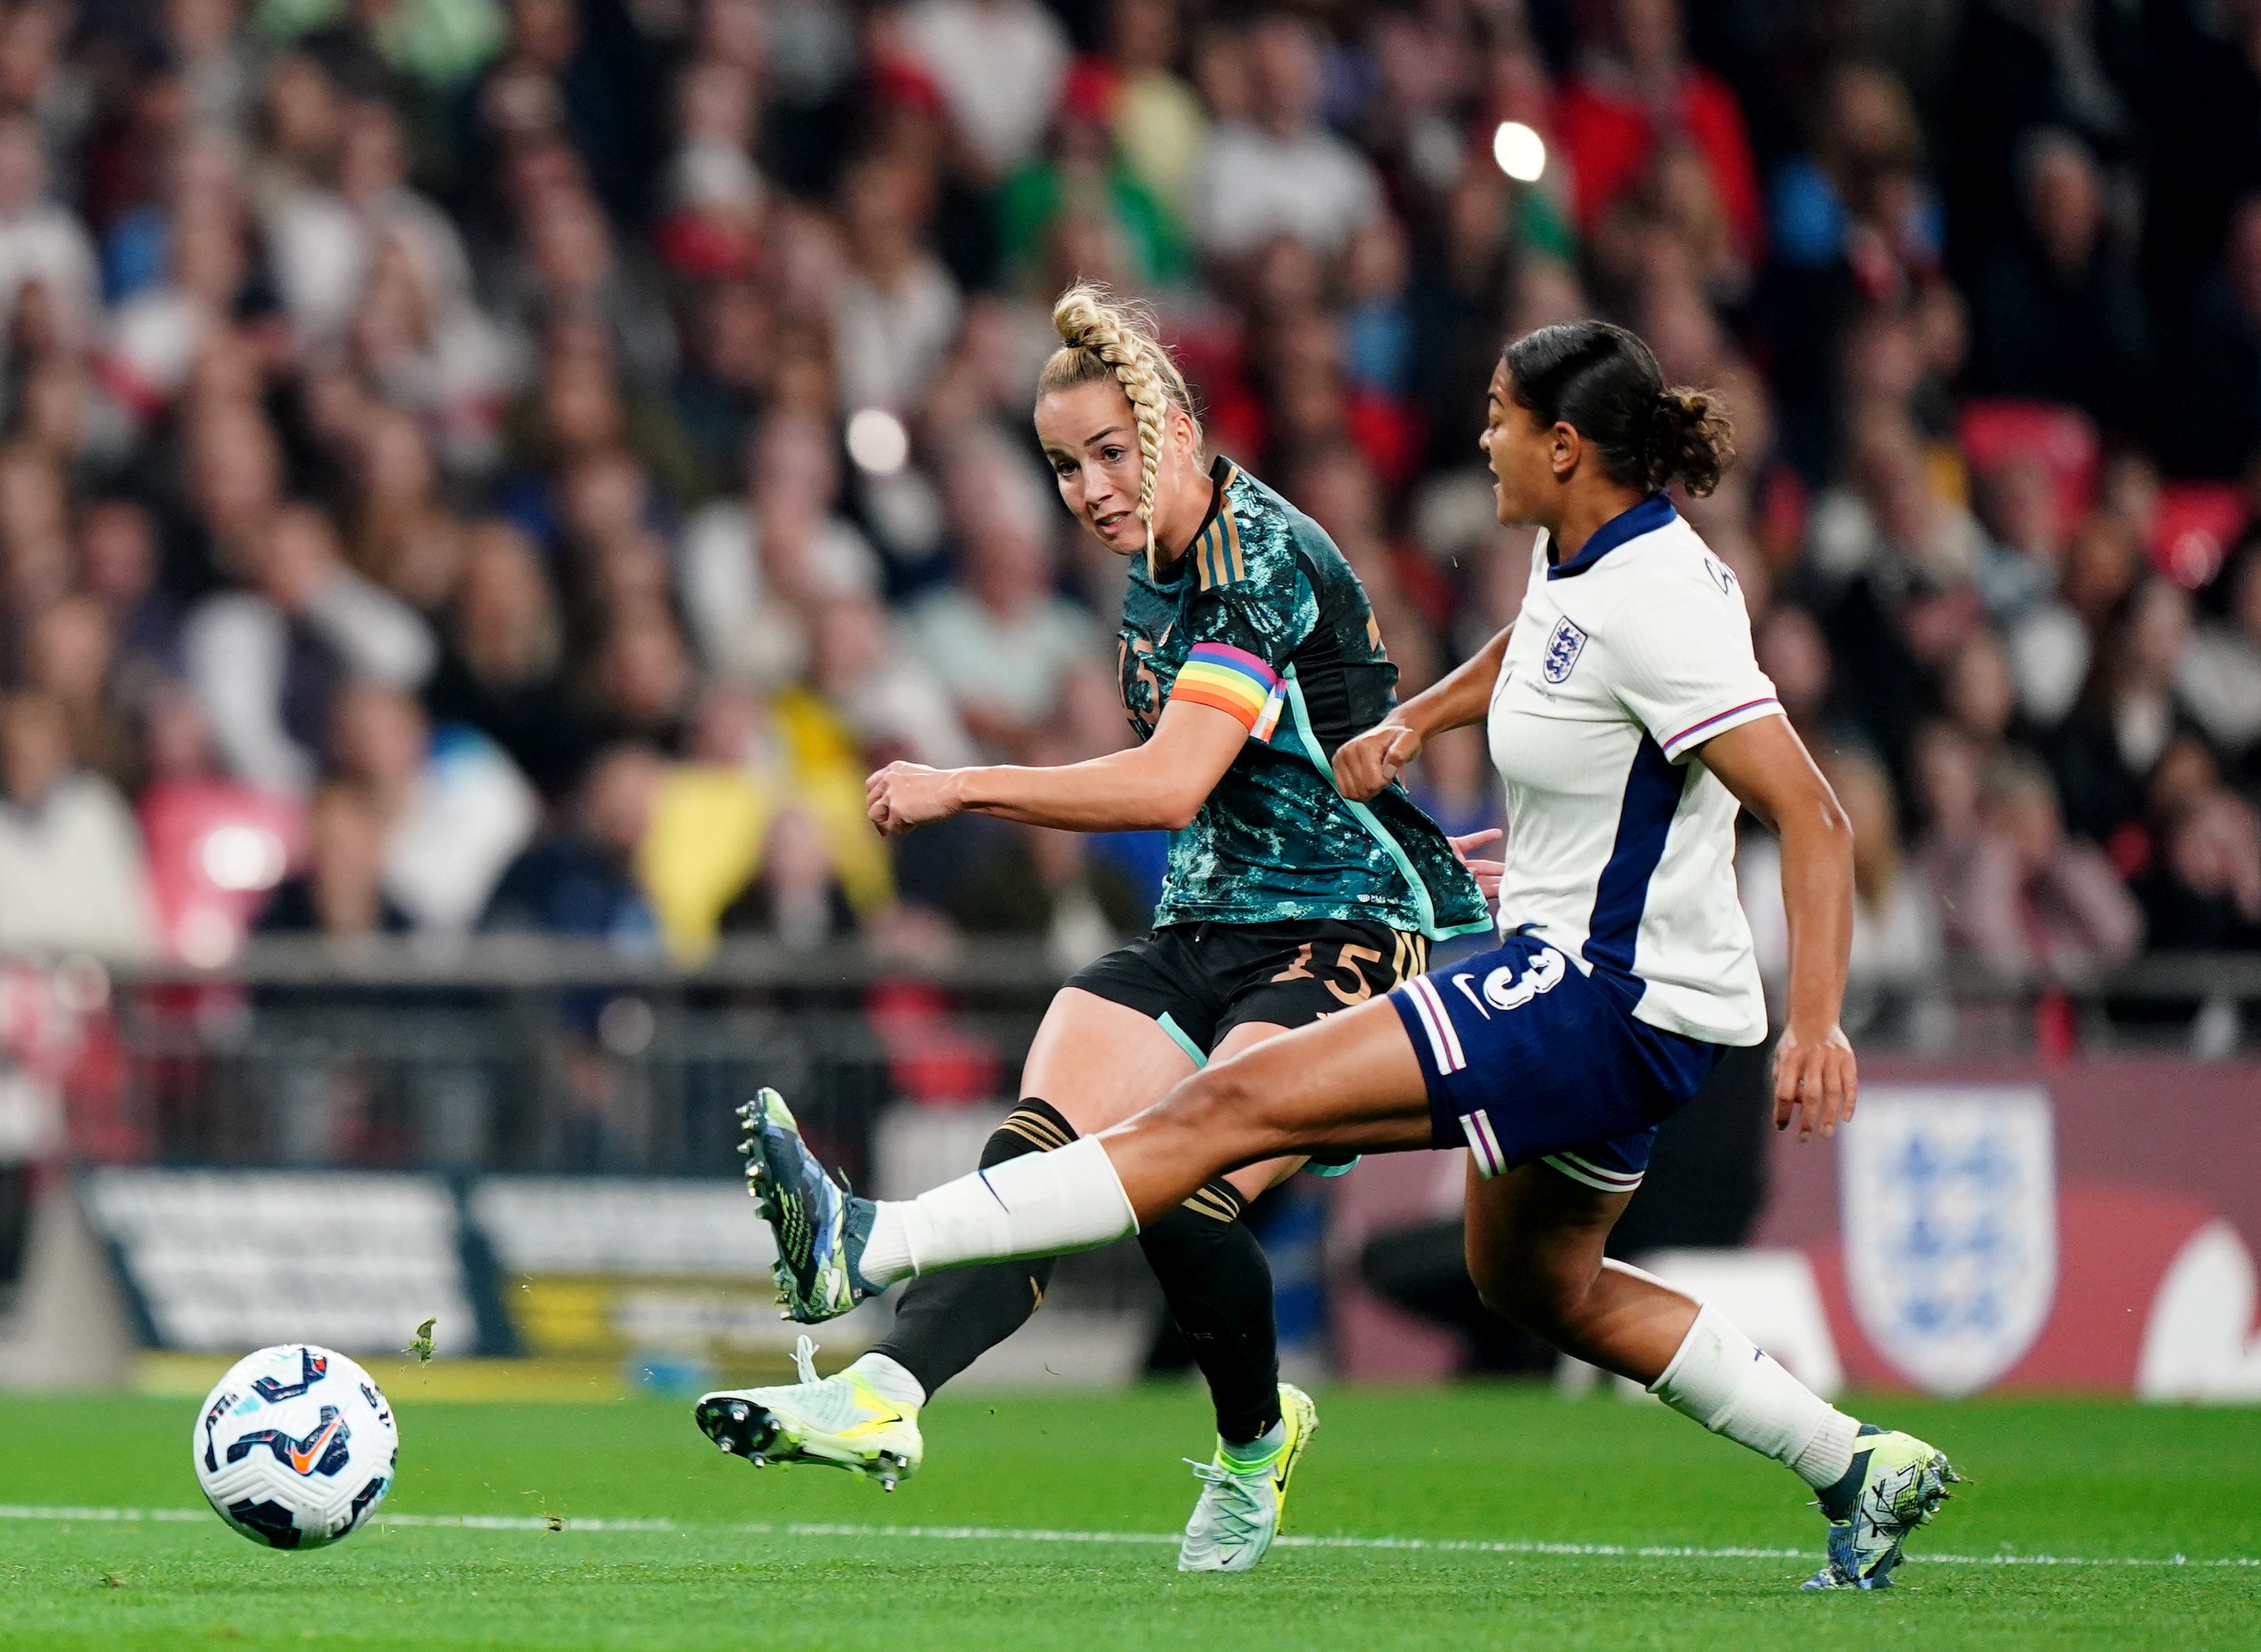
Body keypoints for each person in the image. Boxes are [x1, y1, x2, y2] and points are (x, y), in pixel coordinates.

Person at [738, 320, 1958, 1593]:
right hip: (1581, 976)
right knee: (1535, 1281)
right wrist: (1421, 722)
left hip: (1593, 992)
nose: (1475, 435)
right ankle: (1852, 1461)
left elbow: (1812, 812)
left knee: (1217, 1110)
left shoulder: (1652, 597)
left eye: (1495, 415)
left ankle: (868, 1238)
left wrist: (1814, 1021)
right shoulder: (1587, 555)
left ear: (1562, 443)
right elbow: (1542, 654)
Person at [694, 284, 1492, 1574]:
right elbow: (1291, 755)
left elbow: (1173, 779)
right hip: (1207, 916)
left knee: (1182, 1193)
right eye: (1062, 466)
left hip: (1337, 931)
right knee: (1041, 1159)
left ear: (1171, 427)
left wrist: (962, 779)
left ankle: (1251, 1442)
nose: (1087, 487)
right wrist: (1421, 832)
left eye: (1108, 453)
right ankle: (882, 1393)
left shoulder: (1253, 559)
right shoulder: (1150, 579)